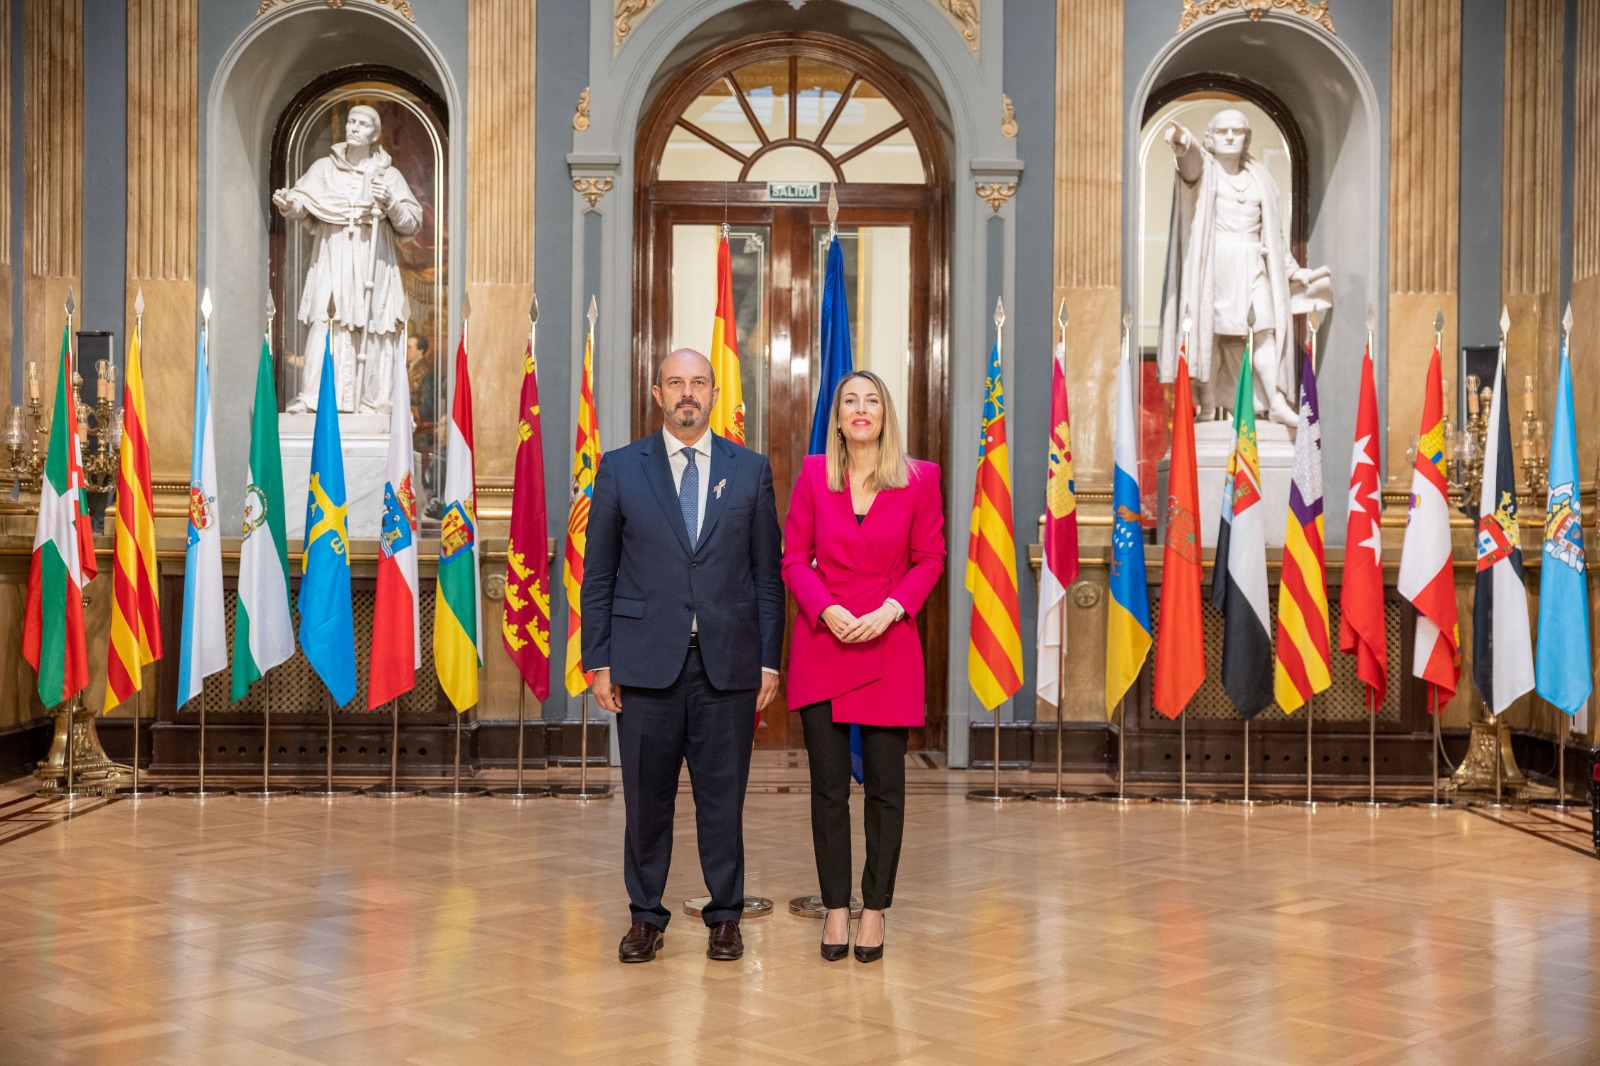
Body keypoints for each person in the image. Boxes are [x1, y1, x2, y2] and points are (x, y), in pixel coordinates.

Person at [582, 348, 785, 964]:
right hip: (643, 665)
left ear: (715, 393)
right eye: (676, 383)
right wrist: (598, 660)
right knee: (645, 802)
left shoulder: (750, 470)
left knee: (723, 801)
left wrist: (769, 662)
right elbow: (599, 576)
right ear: (656, 393)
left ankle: (725, 916)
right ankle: (646, 917)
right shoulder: (619, 468)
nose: (687, 393)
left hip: (728, 664)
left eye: (698, 382)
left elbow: (767, 577)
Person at [782, 370, 945, 963]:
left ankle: (873, 909)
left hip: (888, 642)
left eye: (871, 400)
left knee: (885, 788)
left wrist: (893, 608)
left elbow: (930, 558)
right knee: (827, 790)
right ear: (838, 415)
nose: (860, 409)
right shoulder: (811, 475)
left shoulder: (921, 478)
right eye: (850, 399)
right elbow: (793, 557)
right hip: (823, 643)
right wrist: (824, 610)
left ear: (885, 414)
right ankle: (834, 907)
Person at [1157, 108, 1330, 425]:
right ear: (1211, 138)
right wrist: (1183, 144)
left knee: (1266, 330)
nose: (1230, 136)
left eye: (1237, 131)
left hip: (1253, 260)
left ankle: (1275, 401)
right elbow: (1190, 162)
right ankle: (1207, 404)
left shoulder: (1259, 178)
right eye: (1223, 131)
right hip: (1216, 263)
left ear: (1247, 138)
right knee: (1211, 335)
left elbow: (1275, 236)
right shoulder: (1206, 171)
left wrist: (1295, 271)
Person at [273, 104, 422, 414]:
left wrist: (391, 202)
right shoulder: (323, 169)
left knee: (374, 322)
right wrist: (289, 204)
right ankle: (314, 398)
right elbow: (304, 201)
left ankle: (372, 400)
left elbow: (411, 223)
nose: (354, 127)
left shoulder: (388, 175)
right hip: (333, 254)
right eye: (351, 121)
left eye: (363, 123)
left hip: (373, 260)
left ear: (375, 133)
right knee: (325, 320)